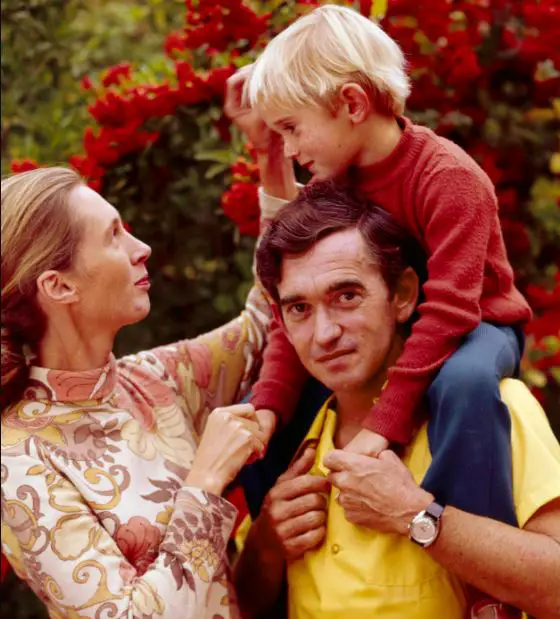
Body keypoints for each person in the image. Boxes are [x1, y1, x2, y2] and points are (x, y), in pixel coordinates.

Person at [224, 6, 532, 613]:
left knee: (465, 383)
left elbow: (448, 310)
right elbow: (290, 312)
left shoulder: (447, 176)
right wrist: (264, 409)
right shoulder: (332, 187)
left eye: (292, 128)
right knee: (271, 432)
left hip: (477, 323)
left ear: (352, 103)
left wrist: (385, 429)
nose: (289, 146)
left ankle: (484, 591)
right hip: (399, 328)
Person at [233, 181, 560, 619]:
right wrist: (266, 548)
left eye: (346, 296)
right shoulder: (290, 444)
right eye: (300, 309)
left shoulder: (492, 405)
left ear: (403, 294)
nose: (325, 333)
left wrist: (415, 516)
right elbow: (240, 605)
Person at [0, 166, 280, 619]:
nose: (142, 248)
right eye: (114, 236)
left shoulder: (155, 379)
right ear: (59, 285)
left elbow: (268, 319)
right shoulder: (16, 459)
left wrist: (275, 164)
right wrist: (206, 482)